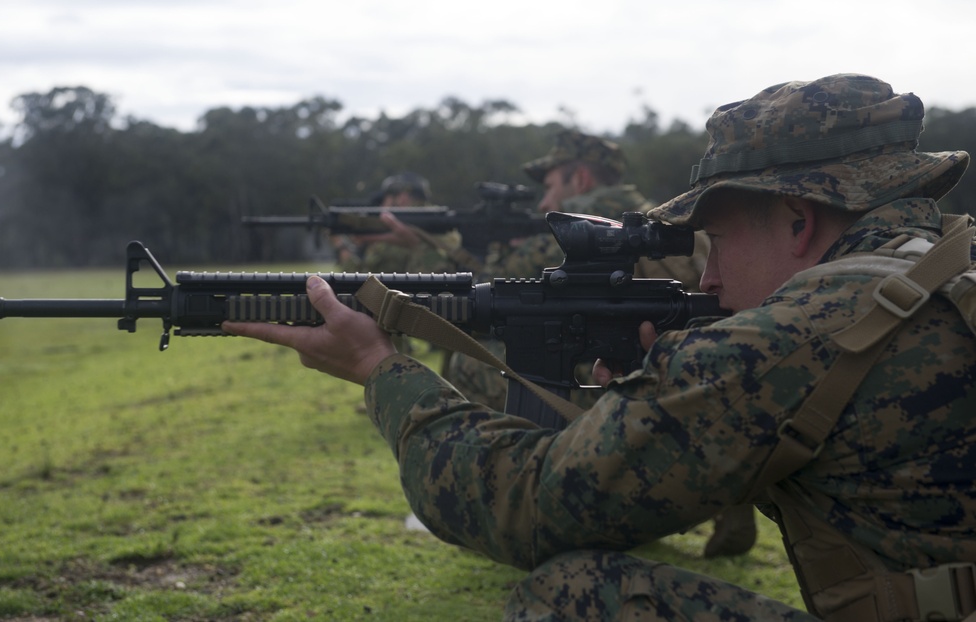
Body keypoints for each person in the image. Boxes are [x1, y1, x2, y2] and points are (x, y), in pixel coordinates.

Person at [224, 73, 976, 620]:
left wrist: (379, 368)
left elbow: (527, 505)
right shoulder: (952, 265)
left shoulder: (791, 337)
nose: (709, 274)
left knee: (576, 595)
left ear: (797, 221)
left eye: (716, 238)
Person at [446, 129, 754, 559]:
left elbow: (502, 275)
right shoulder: (669, 221)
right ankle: (729, 500)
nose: (543, 202)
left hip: (650, 365)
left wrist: (450, 248)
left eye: (551, 186)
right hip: (704, 369)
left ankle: (528, 496)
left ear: (582, 181)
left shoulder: (586, 224)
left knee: (475, 368)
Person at [333, 171, 461, 274]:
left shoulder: (437, 224)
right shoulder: (440, 221)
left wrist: (340, 245)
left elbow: (364, 282)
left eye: (390, 197)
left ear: (404, 196)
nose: (385, 205)